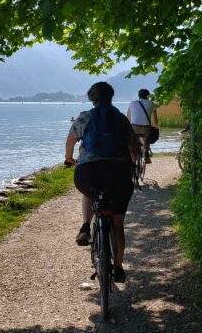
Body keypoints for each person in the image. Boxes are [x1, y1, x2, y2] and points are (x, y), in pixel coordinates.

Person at [65, 82, 140, 283]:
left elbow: (70, 140)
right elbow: (133, 147)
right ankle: (118, 267)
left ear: (92, 99)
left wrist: (69, 158)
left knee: (89, 192)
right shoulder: (120, 119)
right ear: (111, 97)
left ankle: (84, 227)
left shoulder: (84, 117)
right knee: (117, 224)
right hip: (118, 174)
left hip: (87, 172)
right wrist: (130, 164)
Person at [126, 89, 158, 163]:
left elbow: (127, 118)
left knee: (131, 141)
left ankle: (132, 159)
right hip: (146, 128)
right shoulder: (152, 104)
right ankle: (146, 155)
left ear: (138, 96)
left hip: (134, 127)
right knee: (147, 137)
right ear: (148, 96)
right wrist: (155, 127)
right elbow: (155, 122)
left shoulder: (132, 103)